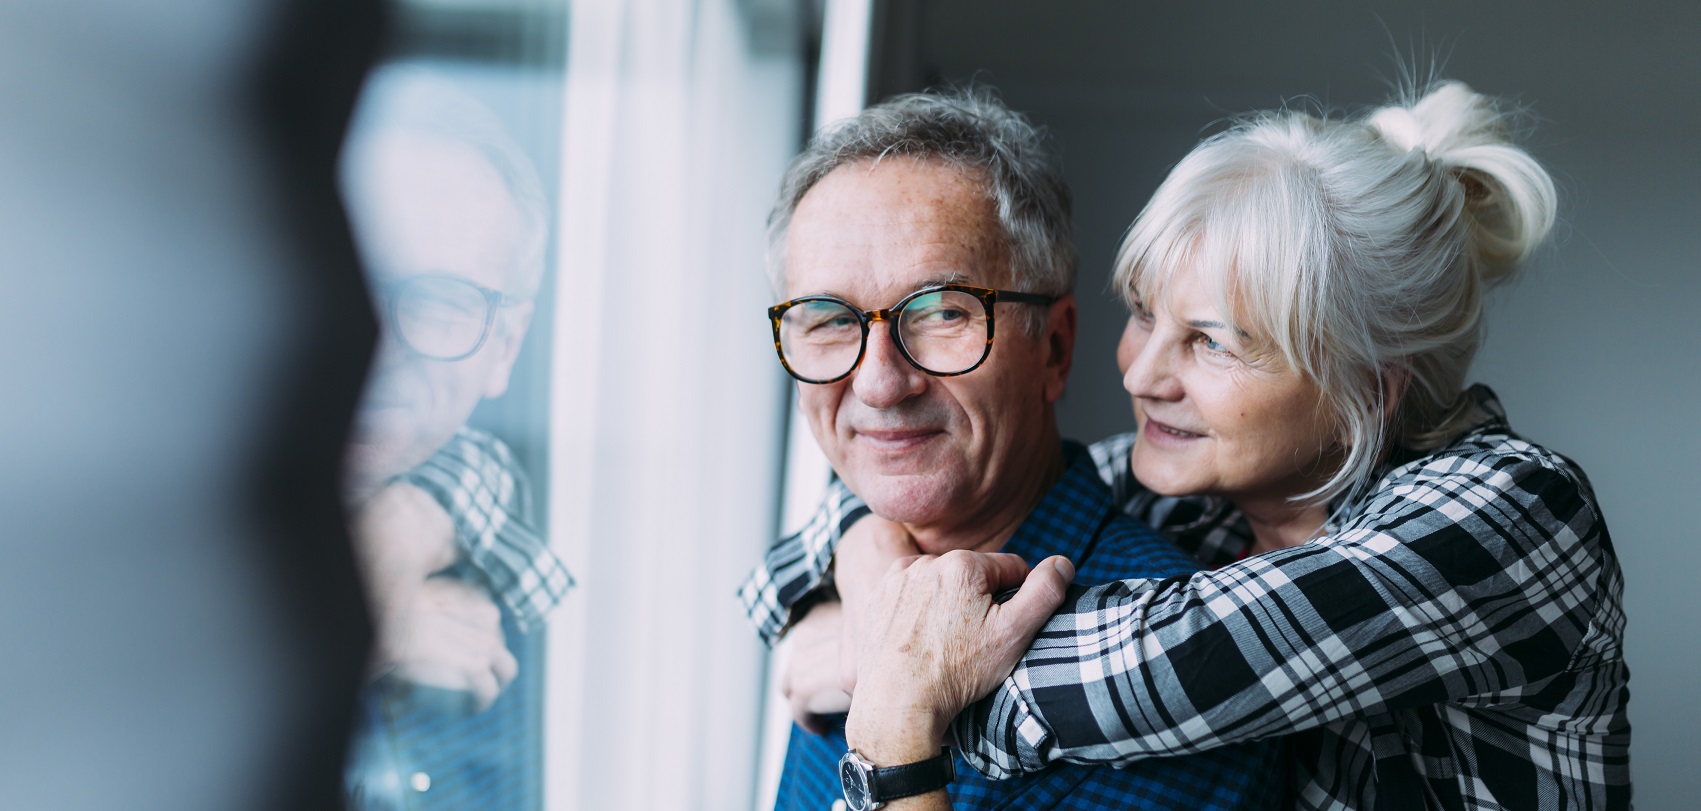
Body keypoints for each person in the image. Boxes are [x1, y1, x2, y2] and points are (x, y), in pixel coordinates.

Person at [747, 81, 1631, 810]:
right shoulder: (1194, 504)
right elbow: (880, 503)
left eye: (1211, 341)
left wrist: (884, 667)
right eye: (1143, 313)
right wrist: (866, 559)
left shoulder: (1511, 514)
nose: (1138, 373)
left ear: (1367, 386)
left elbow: (1167, 671)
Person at [742, 90, 1285, 811]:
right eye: (828, 320)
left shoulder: (1177, 673)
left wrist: (895, 738)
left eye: (942, 312)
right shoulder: (844, 597)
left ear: (1053, 348)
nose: (877, 383)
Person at [338, 68, 571, 811]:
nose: (379, 343)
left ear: (506, 344)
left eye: (440, 301)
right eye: (355, 279)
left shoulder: (518, 605)